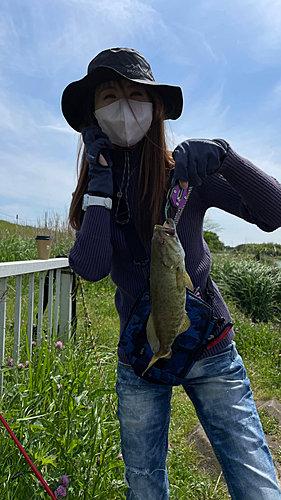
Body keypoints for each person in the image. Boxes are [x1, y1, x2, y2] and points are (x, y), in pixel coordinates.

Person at [61, 47, 281, 499]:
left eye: (135, 94)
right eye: (109, 95)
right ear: (93, 116)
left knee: (254, 479)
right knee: (144, 483)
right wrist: (100, 191)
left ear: (156, 108)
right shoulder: (95, 191)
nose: (124, 106)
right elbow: (91, 267)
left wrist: (225, 156)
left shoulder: (184, 174)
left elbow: (273, 211)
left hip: (211, 346)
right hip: (142, 355)